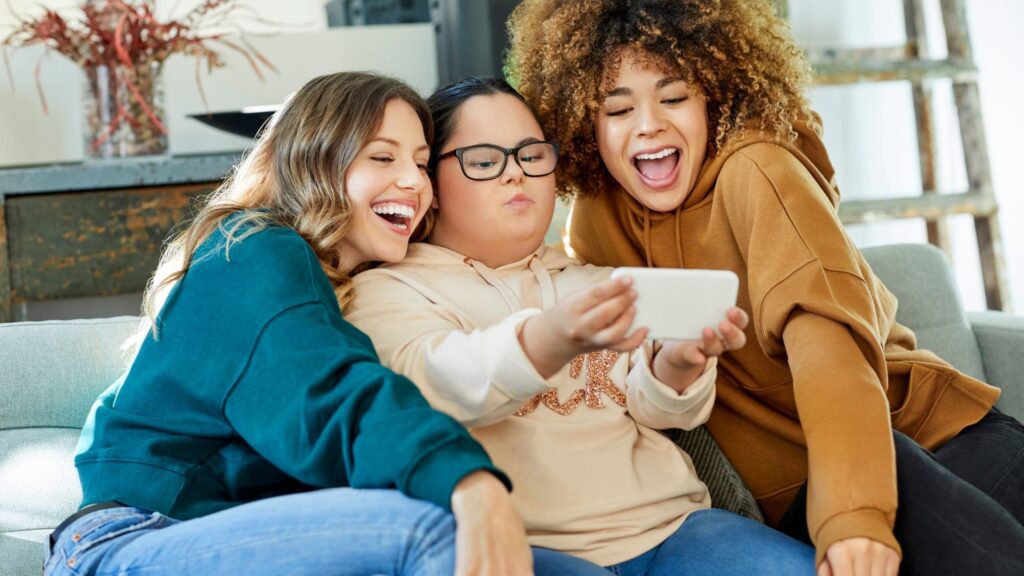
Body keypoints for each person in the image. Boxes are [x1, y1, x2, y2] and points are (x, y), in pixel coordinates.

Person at [506, 1, 1024, 575]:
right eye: (617, 108)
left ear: (717, 97)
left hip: (923, 439)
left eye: (674, 97)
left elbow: (830, 351)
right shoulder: (597, 222)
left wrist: (854, 516)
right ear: (583, 122)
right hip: (796, 499)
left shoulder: (758, 172)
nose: (648, 123)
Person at [45, 71, 537, 576]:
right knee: (435, 530)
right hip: (128, 541)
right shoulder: (256, 250)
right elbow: (331, 398)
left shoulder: (352, 288)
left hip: (221, 534)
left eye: (420, 163)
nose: (414, 182)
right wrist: (467, 480)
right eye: (382, 157)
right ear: (313, 160)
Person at [346, 75, 816, 575]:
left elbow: (664, 412)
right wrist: (550, 338)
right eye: (484, 162)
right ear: (430, 186)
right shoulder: (389, 290)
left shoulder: (598, 279)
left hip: (676, 527)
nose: (516, 175)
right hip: (533, 547)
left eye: (531, 156)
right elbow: (433, 385)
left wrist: (675, 366)